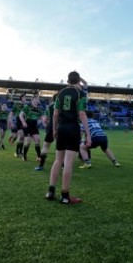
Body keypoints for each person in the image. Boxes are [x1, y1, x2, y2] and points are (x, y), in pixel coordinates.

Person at [46, 71, 91, 204]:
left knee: (58, 160)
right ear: (78, 81)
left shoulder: (60, 93)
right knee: (68, 162)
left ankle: (50, 191)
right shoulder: (81, 94)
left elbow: (55, 114)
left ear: (68, 81)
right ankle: (65, 196)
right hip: (72, 128)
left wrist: (54, 129)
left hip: (61, 128)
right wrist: (88, 134)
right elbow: (82, 114)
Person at [35, 93, 57, 171]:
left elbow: (44, 120)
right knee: (60, 148)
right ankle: (62, 165)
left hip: (51, 127)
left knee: (45, 146)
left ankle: (41, 165)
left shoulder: (50, 107)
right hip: (61, 127)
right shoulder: (64, 106)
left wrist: (48, 123)